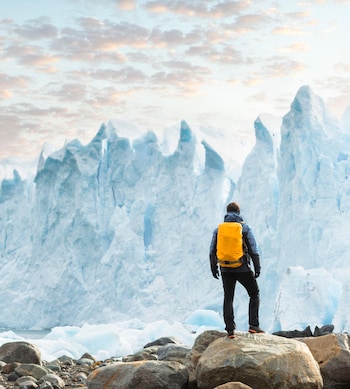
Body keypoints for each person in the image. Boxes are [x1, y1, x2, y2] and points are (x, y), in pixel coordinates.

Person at [209, 202, 264, 338]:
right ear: (238, 213)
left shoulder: (219, 229)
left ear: (227, 213)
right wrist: (257, 267)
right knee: (254, 293)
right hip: (242, 267)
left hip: (225, 269)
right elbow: (253, 248)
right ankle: (253, 325)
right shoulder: (244, 228)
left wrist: (213, 267)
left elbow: (212, 250)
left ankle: (230, 331)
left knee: (228, 297)